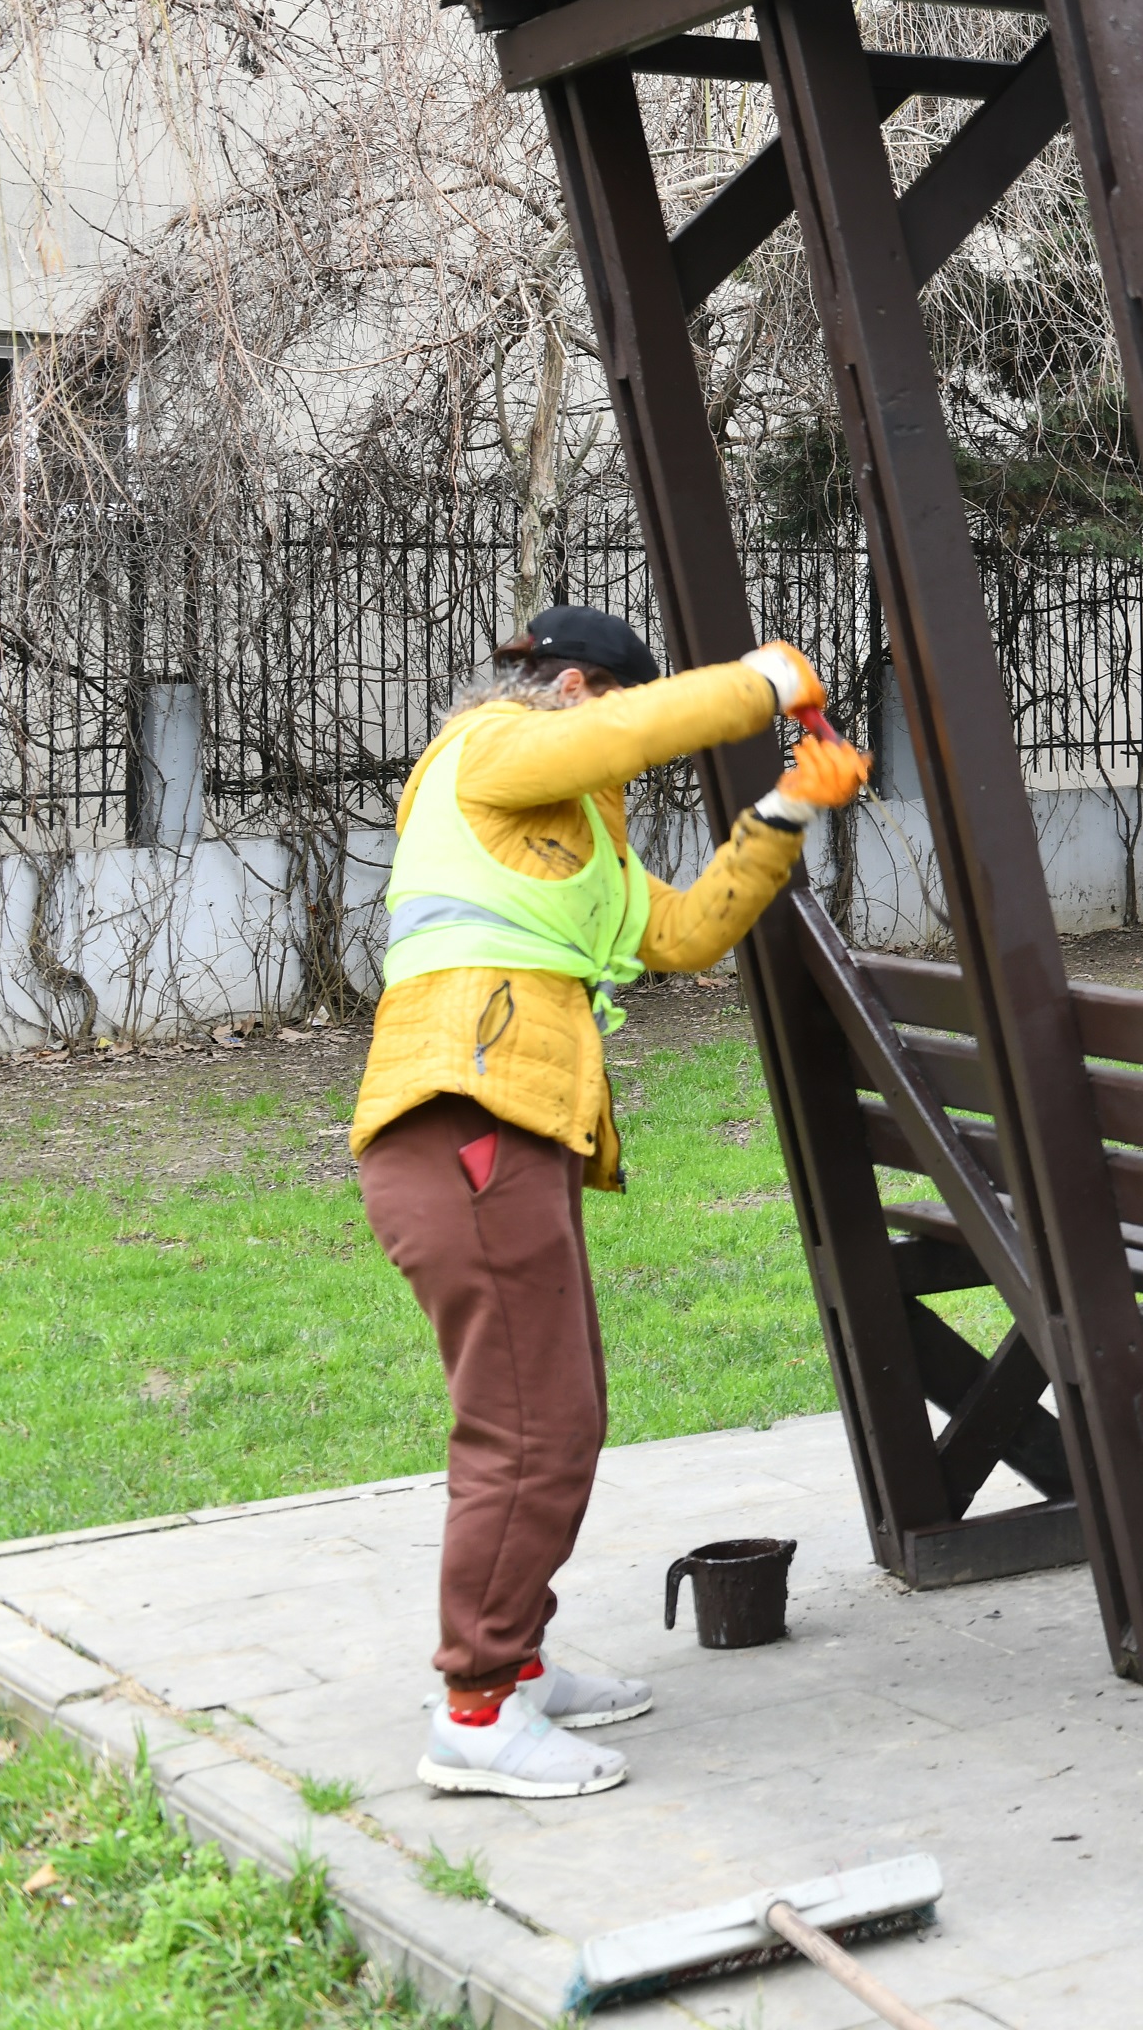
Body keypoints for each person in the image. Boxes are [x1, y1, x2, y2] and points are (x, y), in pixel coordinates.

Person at [356, 606, 869, 1802]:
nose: (634, 745)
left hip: (516, 1126)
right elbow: (624, 740)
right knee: (527, 1428)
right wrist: (756, 683)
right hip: (464, 1118)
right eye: (624, 712)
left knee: (560, 1415)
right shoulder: (487, 746)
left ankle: (515, 1665)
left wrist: (787, 807)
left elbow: (683, 934)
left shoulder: (572, 832)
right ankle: (476, 1712)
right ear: (578, 689)